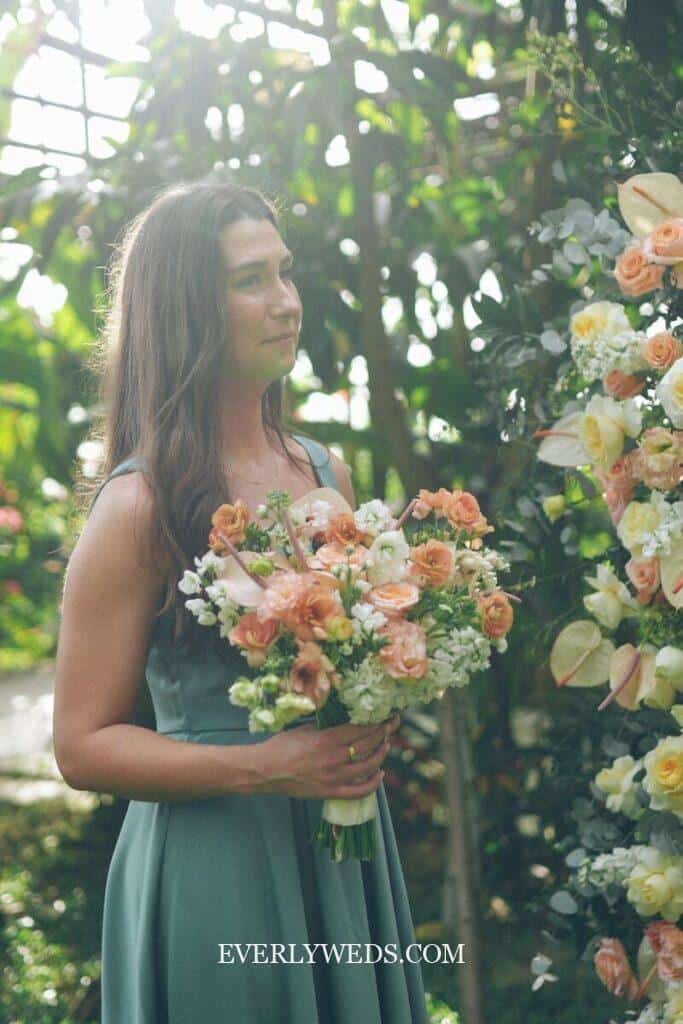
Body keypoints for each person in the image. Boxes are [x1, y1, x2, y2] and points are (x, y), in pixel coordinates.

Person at [52, 181, 429, 1023]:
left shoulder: (323, 472)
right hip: (212, 865)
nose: (286, 302)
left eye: (285, 273)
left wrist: (383, 687)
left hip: (341, 853)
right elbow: (80, 746)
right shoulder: (138, 504)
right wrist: (266, 766)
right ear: (187, 308)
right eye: (251, 280)